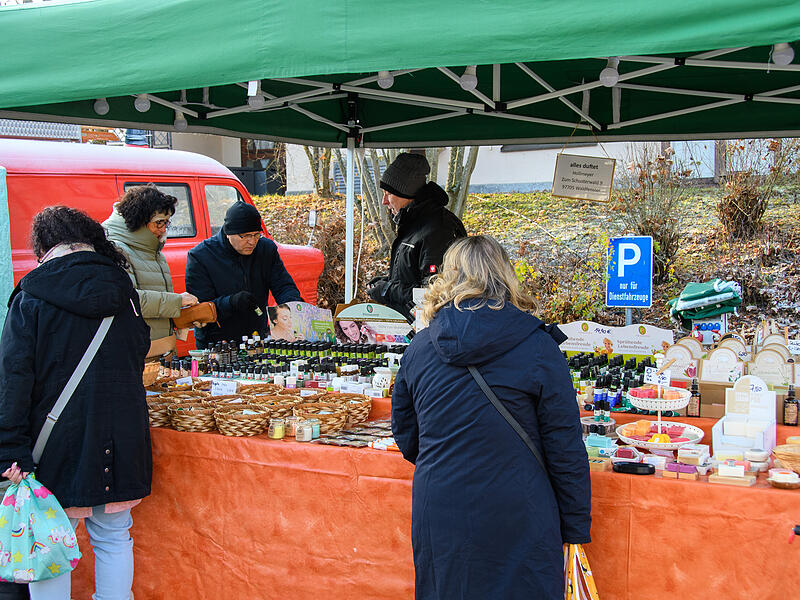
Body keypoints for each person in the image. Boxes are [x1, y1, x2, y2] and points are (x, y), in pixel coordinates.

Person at [391, 235, 591, 600]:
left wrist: (449, 457)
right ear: (505, 276)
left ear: (448, 278)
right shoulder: (538, 346)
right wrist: (575, 529)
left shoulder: (419, 348)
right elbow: (565, 446)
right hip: (518, 505)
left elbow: (407, 436)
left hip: (442, 505)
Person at [0, 206, 151, 600]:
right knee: (115, 537)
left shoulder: (32, 293)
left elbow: (12, 380)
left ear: (44, 247)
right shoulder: (124, 290)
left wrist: (10, 449)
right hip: (121, 435)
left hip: (56, 440)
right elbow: (139, 353)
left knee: (47, 544)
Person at [185, 201, 302, 348]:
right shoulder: (200, 256)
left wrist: (292, 305)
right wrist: (231, 302)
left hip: (256, 337)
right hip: (217, 341)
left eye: (256, 235)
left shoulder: (266, 249)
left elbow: (283, 285)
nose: (252, 242)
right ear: (228, 233)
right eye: (245, 236)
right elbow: (199, 310)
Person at [367, 152, 466, 321]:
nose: (384, 201)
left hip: (430, 330)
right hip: (409, 327)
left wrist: (388, 290)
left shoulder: (438, 229)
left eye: (388, 193)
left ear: (405, 193)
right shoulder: (412, 223)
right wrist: (386, 282)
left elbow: (436, 291)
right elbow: (413, 276)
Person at [103, 184, 198, 351]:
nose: (163, 230)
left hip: (160, 348)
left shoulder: (153, 249)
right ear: (138, 220)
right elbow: (128, 300)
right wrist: (176, 301)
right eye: (158, 223)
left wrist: (182, 312)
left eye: (166, 223)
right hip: (137, 351)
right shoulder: (115, 249)